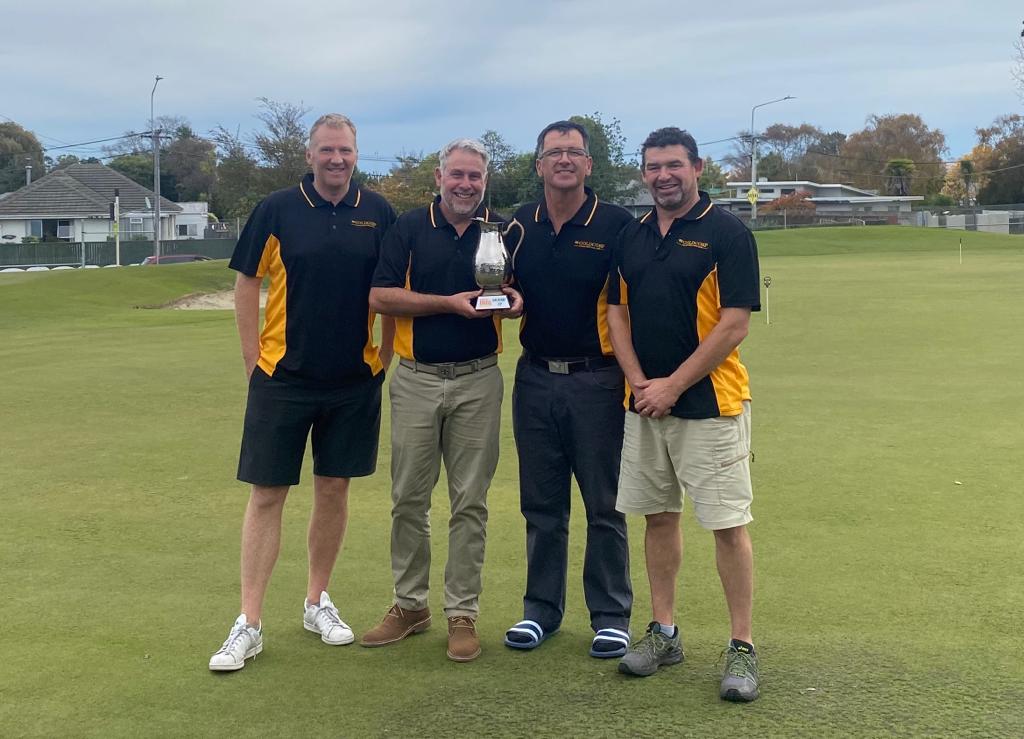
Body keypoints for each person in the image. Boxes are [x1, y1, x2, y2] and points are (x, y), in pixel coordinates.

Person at [208, 113, 396, 672]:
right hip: (282, 378)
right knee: (268, 494)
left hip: (352, 380)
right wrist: (252, 362)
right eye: (326, 151)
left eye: (345, 151)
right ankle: (249, 621)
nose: (336, 159)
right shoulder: (277, 209)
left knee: (334, 488)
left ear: (356, 155)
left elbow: (390, 287)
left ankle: (317, 601)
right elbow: (246, 281)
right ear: (309, 155)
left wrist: (382, 357)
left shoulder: (378, 211)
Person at [606, 127, 762, 701]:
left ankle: (741, 647)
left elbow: (734, 323)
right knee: (657, 517)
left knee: (726, 525)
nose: (663, 175)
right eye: (653, 167)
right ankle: (664, 632)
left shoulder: (727, 232)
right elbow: (616, 314)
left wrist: (672, 385)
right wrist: (640, 382)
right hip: (644, 404)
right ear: (643, 173)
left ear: (697, 167)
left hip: (710, 405)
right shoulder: (633, 234)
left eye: (674, 165)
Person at [363, 138, 522, 662]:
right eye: (457, 175)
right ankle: (410, 605)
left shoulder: (502, 230)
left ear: (484, 181)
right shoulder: (408, 228)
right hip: (415, 377)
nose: (465, 185)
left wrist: (515, 302)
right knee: (408, 496)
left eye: (475, 177)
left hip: (479, 378)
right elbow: (381, 295)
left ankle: (462, 613)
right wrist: (447, 305)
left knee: (469, 502)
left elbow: (517, 292)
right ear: (439, 177)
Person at [501, 121, 633, 658]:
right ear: (538, 165)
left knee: (604, 503)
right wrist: (509, 298)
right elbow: (506, 285)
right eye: (553, 152)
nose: (563, 160)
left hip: (598, 378)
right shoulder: (517, 226)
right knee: (541, 504)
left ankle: (610, 614)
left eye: (573, 152)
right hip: (534, 376)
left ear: (587, 164)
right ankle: (541, 611)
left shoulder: (618, 225)